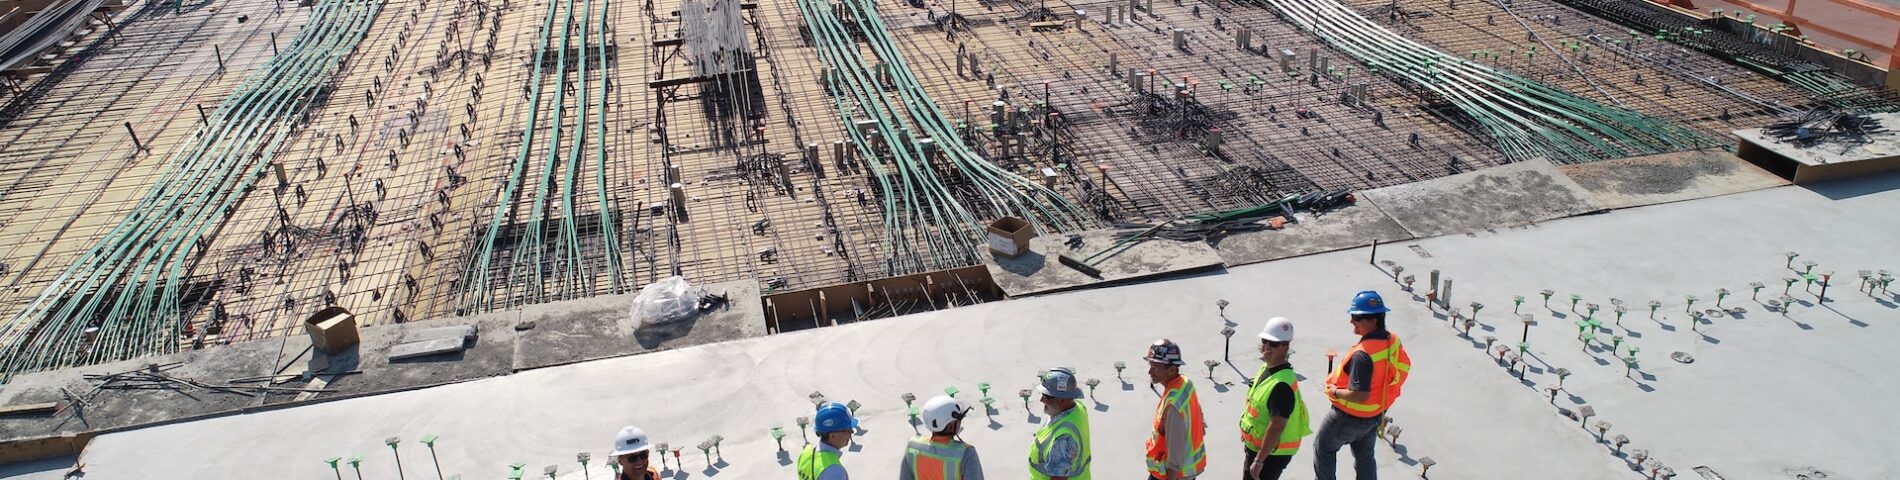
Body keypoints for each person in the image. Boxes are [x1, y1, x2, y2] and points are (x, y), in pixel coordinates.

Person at [1313, 291, 1412, 480]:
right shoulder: (1391, 340)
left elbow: (1359, 395)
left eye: (1357, 318)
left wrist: (1336, 391)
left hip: (1348, 417)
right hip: (1375, 413)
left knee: (1324, 449)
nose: (1352, 321)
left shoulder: (1362, 355)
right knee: (1365, 455)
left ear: (1373, 320)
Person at [1239, 317, 1312, 480]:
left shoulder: (1281, 385)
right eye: (1265, 341)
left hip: (1271, 454)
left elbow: (1277, 426)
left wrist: (1259, 461)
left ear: (1285, 346)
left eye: (1273, 344)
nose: (1266, 347)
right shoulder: (1267, 368)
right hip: (1261, 448)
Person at [1143, 339, 1207, 479]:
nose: (1150, 371)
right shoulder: (1185, 384)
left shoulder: (1173, 406)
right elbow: (1199, 416)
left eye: (1156, 368)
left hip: (1173, 475)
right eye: (1150, 365)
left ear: (1172, 370)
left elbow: (1175, 453)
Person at [900, 395, 985, 480]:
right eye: (959, 419)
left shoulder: (912, 445)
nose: (960, 422)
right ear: (951, 426)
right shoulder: (967, 453)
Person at [1030, 367, 1091, 480]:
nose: (1041, 400)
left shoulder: (1063, 440)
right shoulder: (1078, 408)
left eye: (1046, 396)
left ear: (1063, 399)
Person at [799, 401, 859, 480]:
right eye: (847, 430)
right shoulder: (833, 471)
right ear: (833, 435)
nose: (852, 432)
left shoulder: (806, 452)